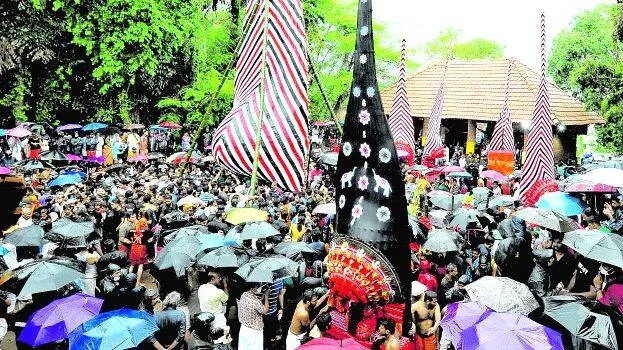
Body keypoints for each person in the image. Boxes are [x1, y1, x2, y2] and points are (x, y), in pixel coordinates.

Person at [237, 284, 269, 350]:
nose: (259, 288)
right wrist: (266, 296)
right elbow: (265, 311)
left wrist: (263, 296)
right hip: (254, 331)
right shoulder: (255, 301)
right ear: (252, 288)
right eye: (257, 286)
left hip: (244, 328)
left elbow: (257, 305)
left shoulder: (244, 294)